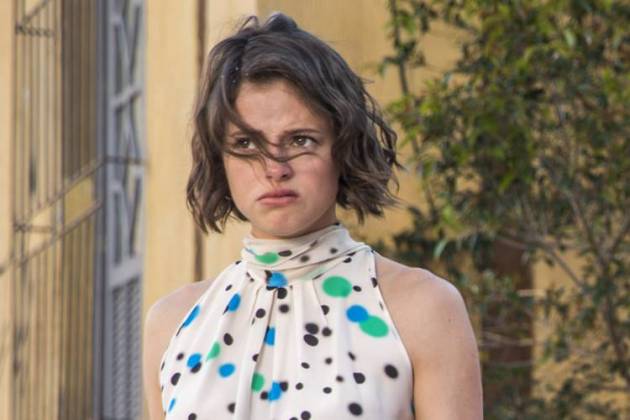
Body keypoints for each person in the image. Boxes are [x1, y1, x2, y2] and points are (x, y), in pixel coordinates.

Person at [143, 12, 483, 420]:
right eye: (246, 143)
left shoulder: (421, 307)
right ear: (221, 159)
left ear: (343, 147)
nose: (274, 168)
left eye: (300, 140)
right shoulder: (173, 324)